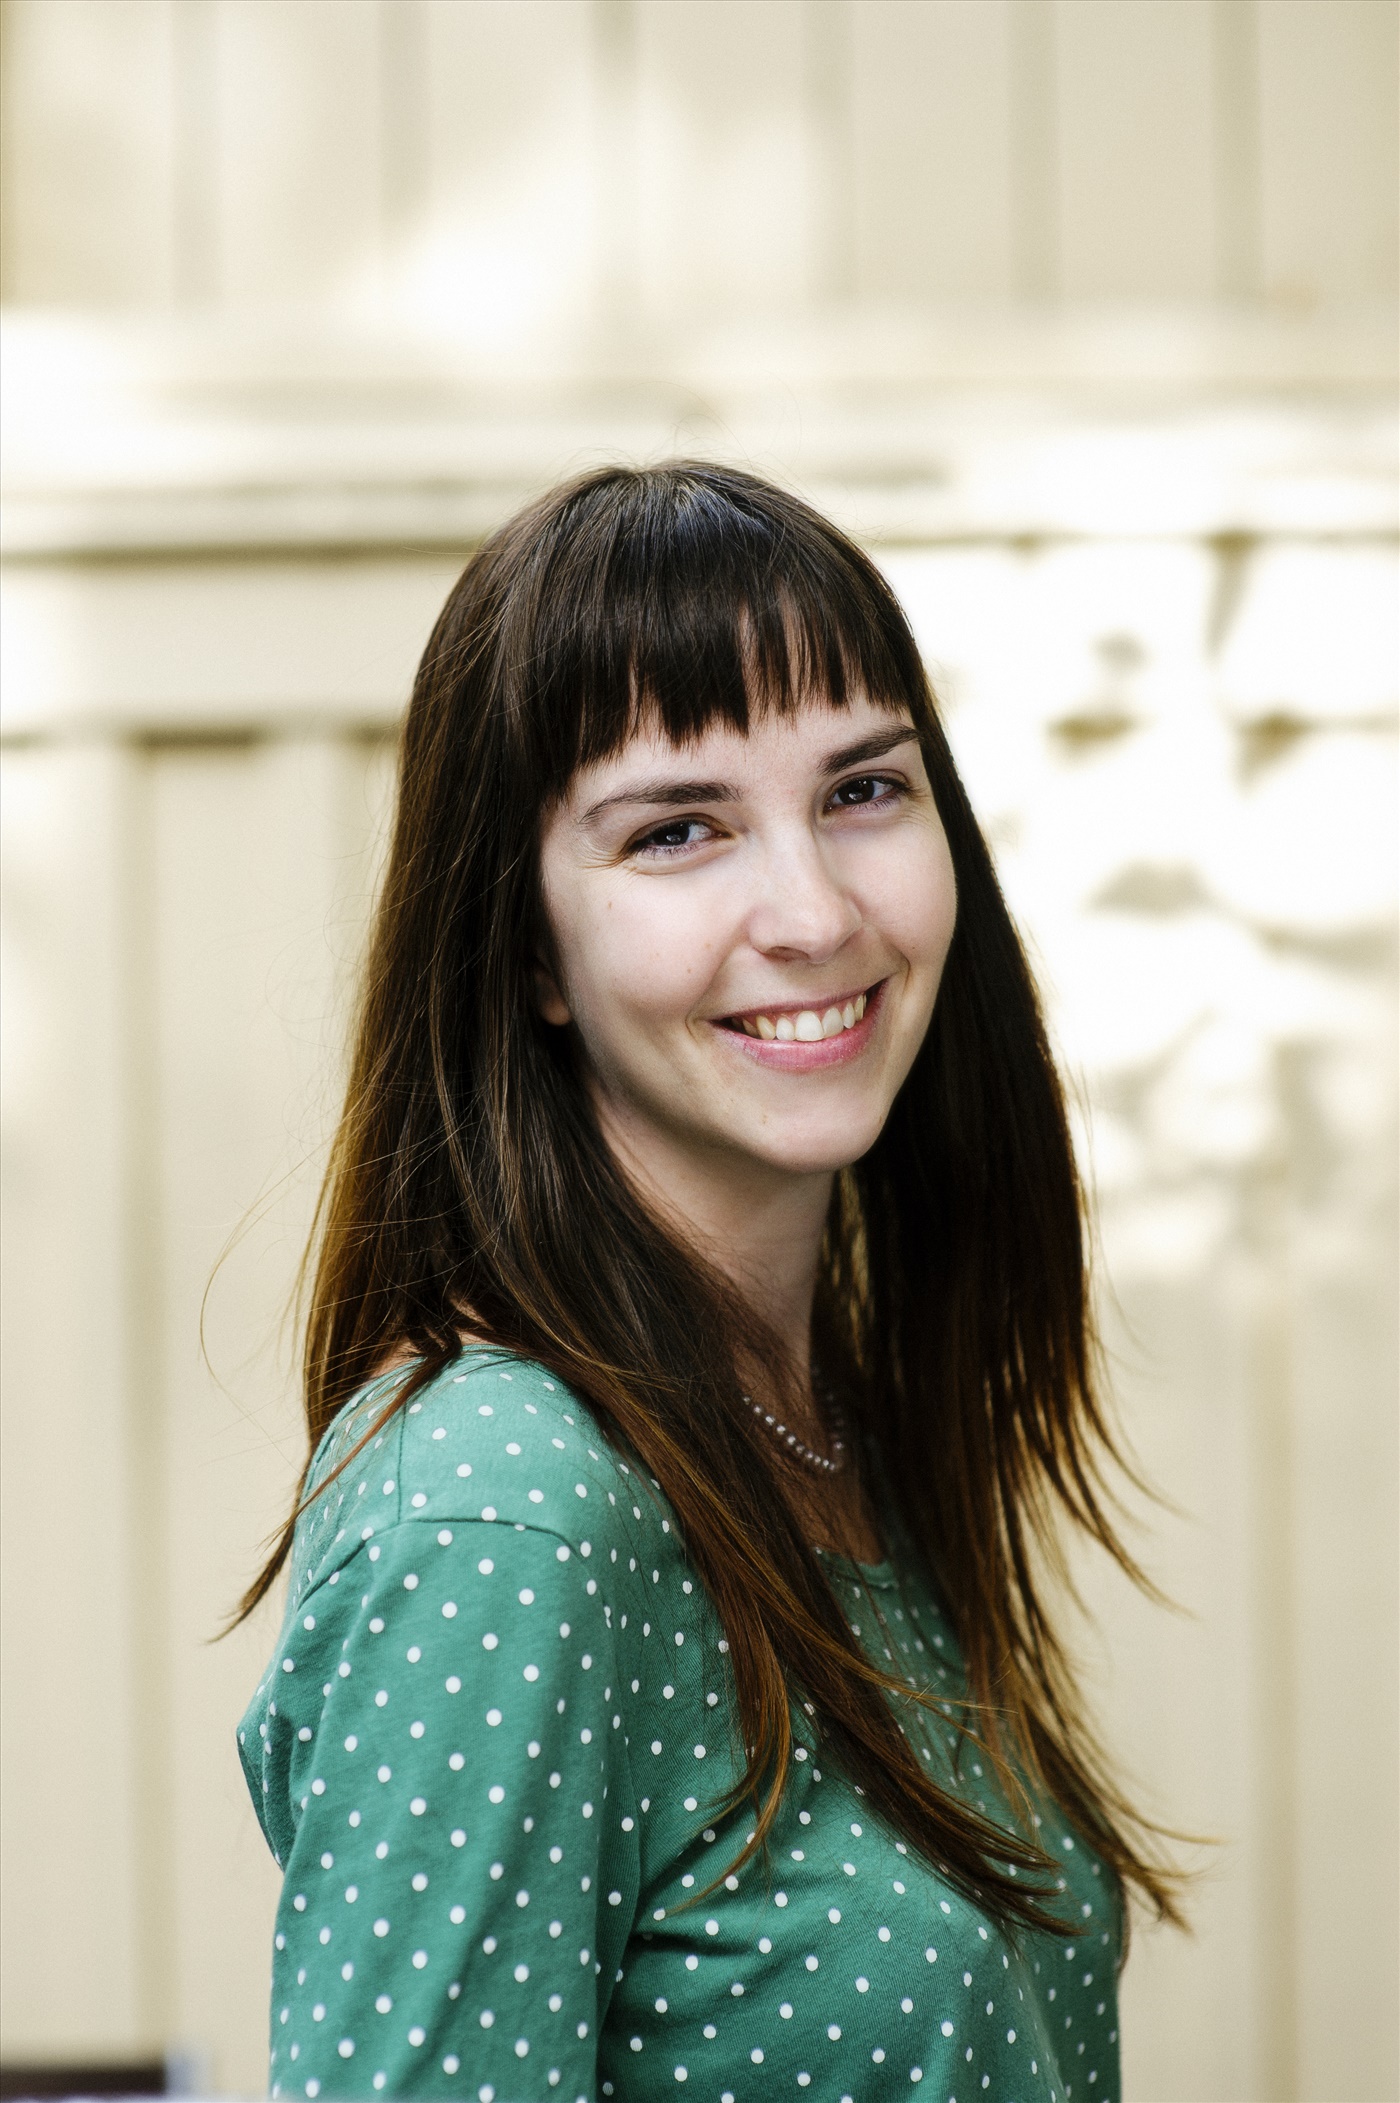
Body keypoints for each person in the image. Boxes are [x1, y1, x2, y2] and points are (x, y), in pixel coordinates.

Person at [237, 461, 1179, 2103]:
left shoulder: (837, 1424)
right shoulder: (506, 1510)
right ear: (527, 949)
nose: (812, 913)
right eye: (677, 830)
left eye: (863, 790)